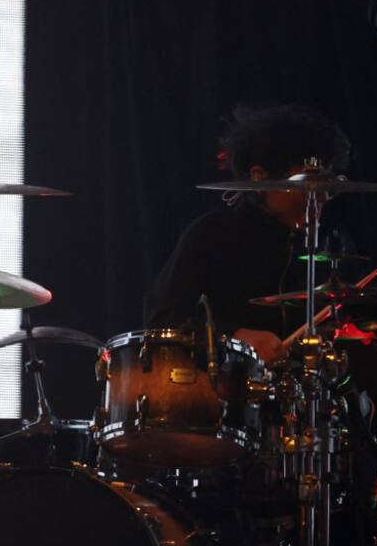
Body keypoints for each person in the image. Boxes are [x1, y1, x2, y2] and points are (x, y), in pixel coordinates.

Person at [144, 103, 354, 359]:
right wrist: (233, 337)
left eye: (324, 187)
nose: (318, 198)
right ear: (260, 177)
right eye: (306, 186)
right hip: (229, 380)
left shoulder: (332, 239)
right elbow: (163, 320)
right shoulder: (211, 235)